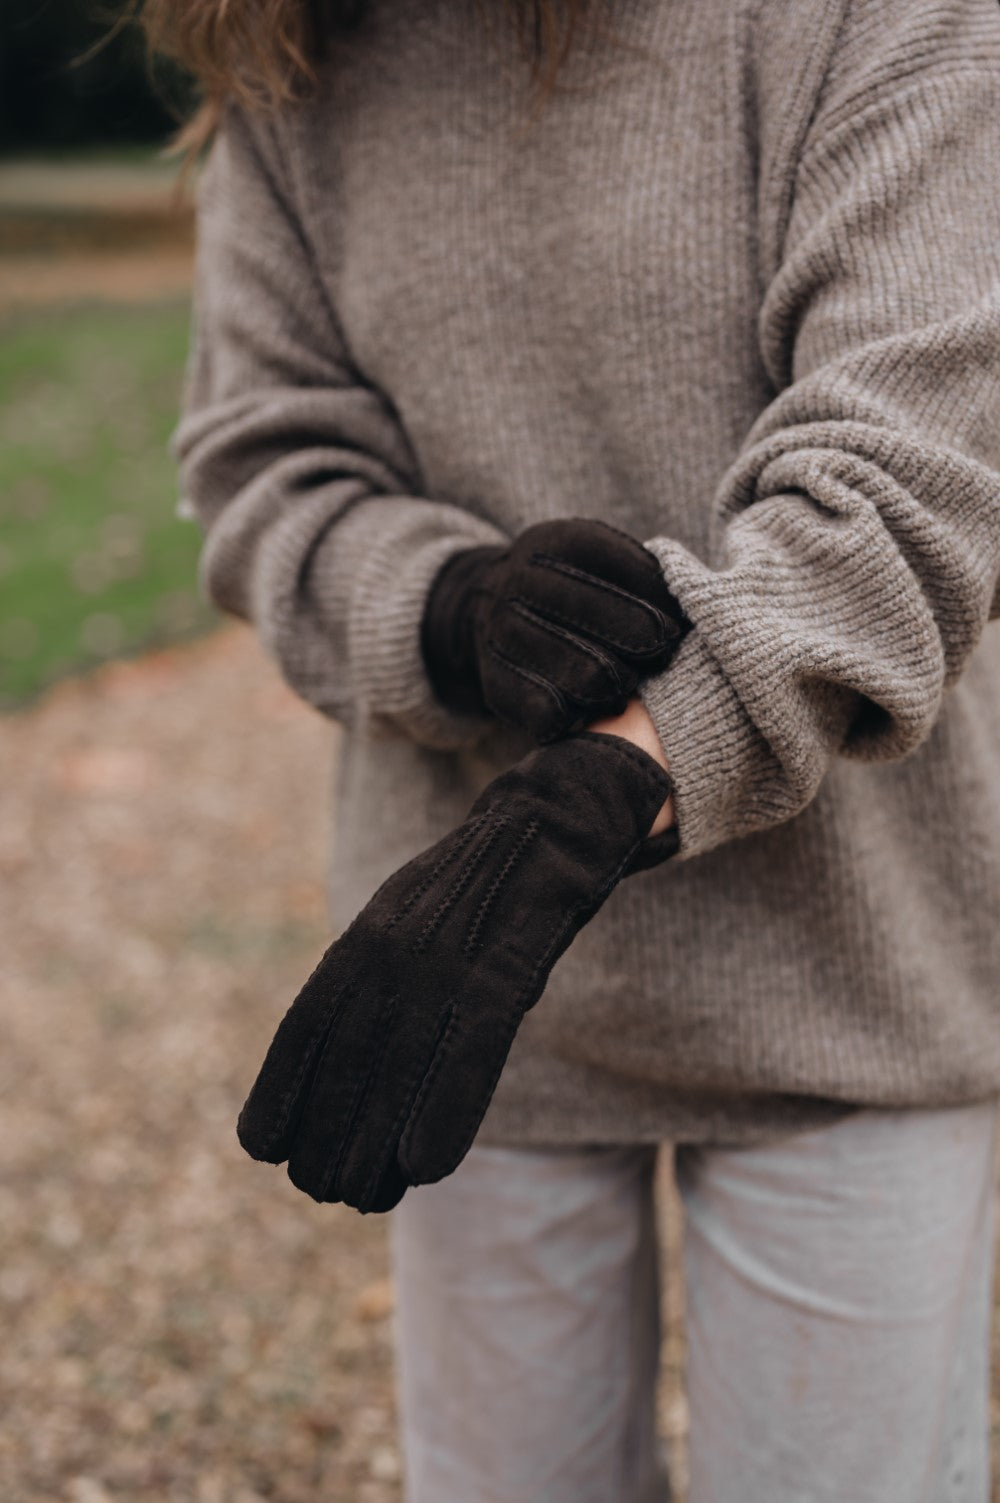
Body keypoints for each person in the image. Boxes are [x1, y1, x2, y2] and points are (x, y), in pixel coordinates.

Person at [160, 0, 1000, 1496]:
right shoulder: (294, 46)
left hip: (854, 976)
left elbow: (904, 491)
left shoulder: (887, 20)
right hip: (471, 999)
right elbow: (265, 458)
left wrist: (607, 784)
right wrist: (443, 606)